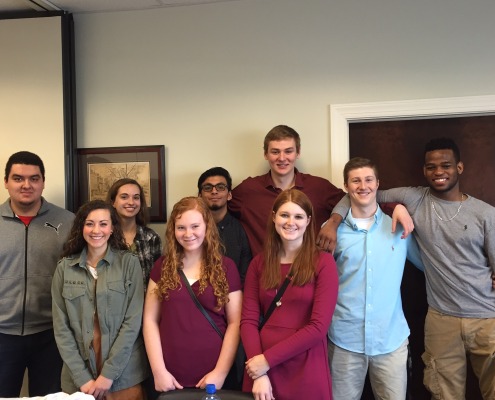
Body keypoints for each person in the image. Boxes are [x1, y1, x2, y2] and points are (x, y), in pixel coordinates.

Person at [329, 138, 495, 399]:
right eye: (432, 166)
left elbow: (433, 263)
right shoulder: (413, 199)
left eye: (446, 165)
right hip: (430, 321)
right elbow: (359, 196)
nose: (439, 172)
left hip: (480, 319)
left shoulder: (483, 214)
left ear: (460, 168)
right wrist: (333, 220)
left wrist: (397, 210)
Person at [328, 157, 424, 400]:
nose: (363, 186)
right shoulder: (332, 232)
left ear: (378, 183)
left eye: (369, 179)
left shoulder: (400, 226)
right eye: (356, 180)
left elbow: (428, 265)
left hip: (390, 340)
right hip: (343, 340)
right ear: (346, 186)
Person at [241, 188, 339, 400]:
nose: (290, 222)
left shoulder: (323, 263)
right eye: (284, 215)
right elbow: (248, 321)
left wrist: (267, 361)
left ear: (308, 221)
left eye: (298, 216)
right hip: (261, 371)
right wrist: (259, 371)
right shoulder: (258, 263)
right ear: (274, 217)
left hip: (305, 366)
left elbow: (318, 327)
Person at [143, 197, 242, 392]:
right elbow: (150, 320)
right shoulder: (162, 267)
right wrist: (158, 371)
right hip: (169, 376)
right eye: (181, 228)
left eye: (195, 226)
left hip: (214, 375)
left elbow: (235, 323)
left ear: (207, 226)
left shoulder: (226, 267)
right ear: (173, 229)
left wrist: (220, 372)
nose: (188, 234)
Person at [52, 200, 148, 400]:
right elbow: (61, 329)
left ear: (113, 228)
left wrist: (108, 374)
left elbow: (132, 323)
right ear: (81, 227)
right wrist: (82, 377)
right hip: (77, 377)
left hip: (124, 374)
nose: (97, 230)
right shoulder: (64, 268)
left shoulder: (129, 264)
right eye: (89, 223)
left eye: (103, 224)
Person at [0, 151, 74, 397]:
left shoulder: (67, 221)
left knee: (49, 396)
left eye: (34, 178)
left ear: (43, 181)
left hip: (51, 333)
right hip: (3, 333)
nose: (26, 185)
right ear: (6, 182)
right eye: (18, 178)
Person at [229, 125, 345, 256]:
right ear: (265, 154)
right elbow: (216, 208)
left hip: (312, 271)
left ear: (298, 152)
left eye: (288, 151)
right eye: (275, 152)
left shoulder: (319, 187)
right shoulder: (248, 190)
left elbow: (350, 201)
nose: (282, 158)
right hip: (265, 272)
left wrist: (332, 224)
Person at [198, 167, 252, 283]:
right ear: (199, 195)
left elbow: (244, 275)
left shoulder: (240, 230)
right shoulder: (191, 229)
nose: (214, 191)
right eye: (208, 188)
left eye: (220, 187)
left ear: (229, 195)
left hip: (231, 296)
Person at [106, 178, 162, 289]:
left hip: (143, 303)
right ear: (113, 202)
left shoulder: (151, 238)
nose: (131, 202)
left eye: (136, 197)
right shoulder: (103, 235)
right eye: (124, 197)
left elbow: (157, 281)